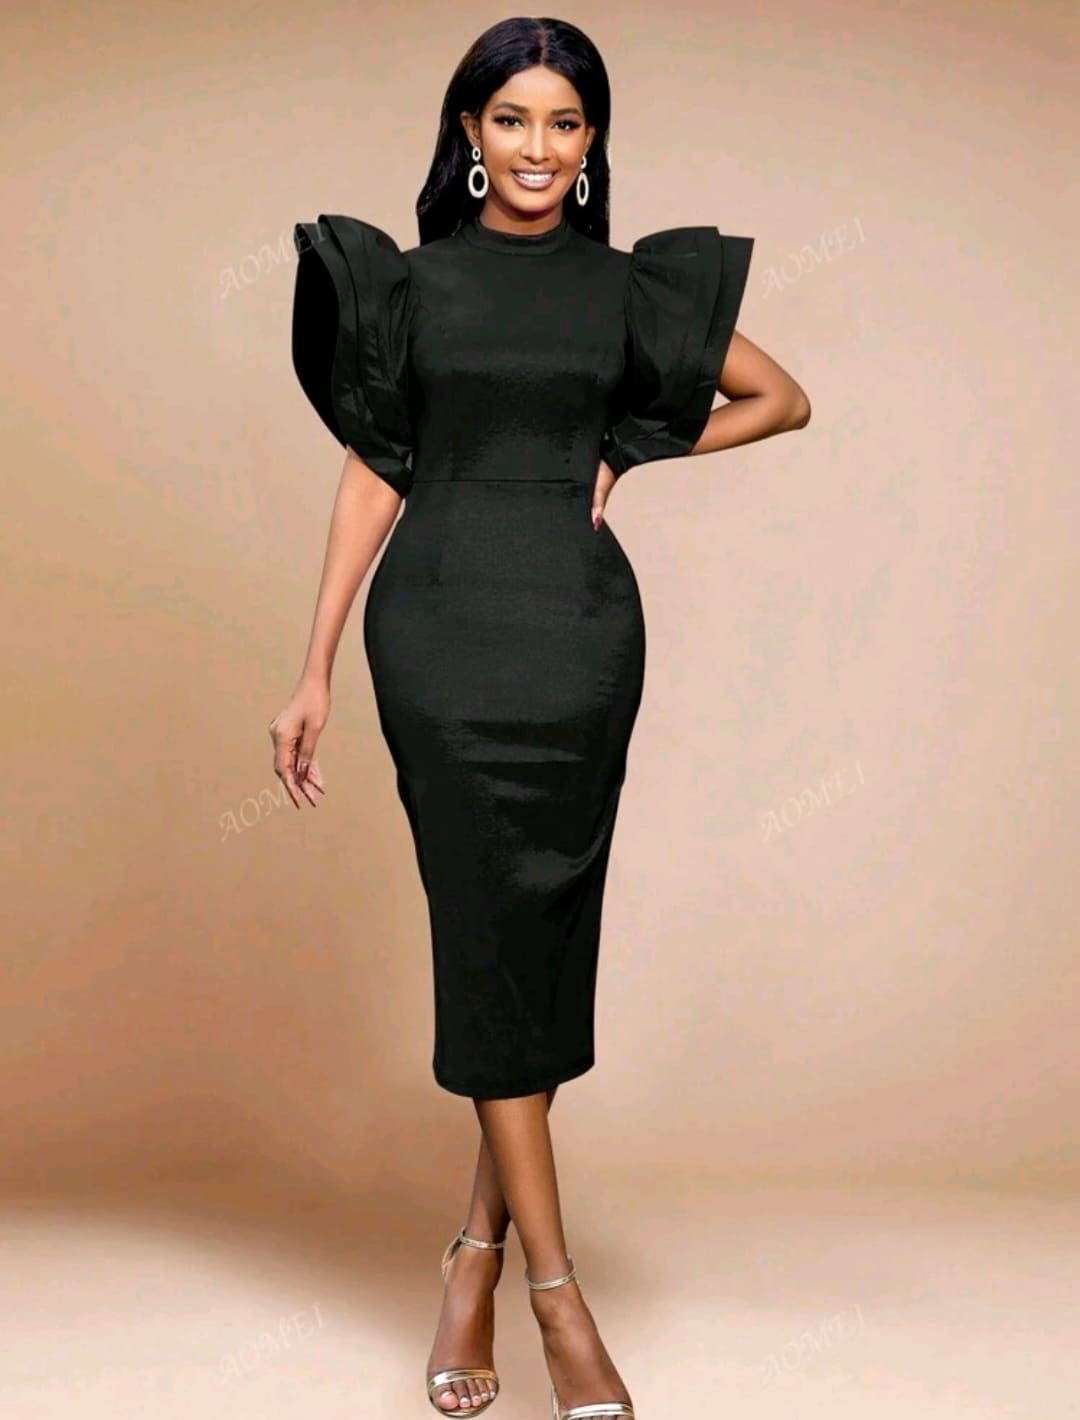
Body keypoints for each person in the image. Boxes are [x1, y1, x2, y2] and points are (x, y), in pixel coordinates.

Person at [270, 17, 810, 1420]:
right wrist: (313, 667)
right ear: (468, 133)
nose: (537, 146)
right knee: (486, 925)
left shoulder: (630, 291)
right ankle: (559, 1300)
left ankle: (472, 1260)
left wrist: (629, 449)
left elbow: (782, 399)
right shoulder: (409, 286)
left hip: (577, 640)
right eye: (511, 118)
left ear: (591, 143)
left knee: (539, 932)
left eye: (565, 123)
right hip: (438, 635)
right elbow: (372, 474)